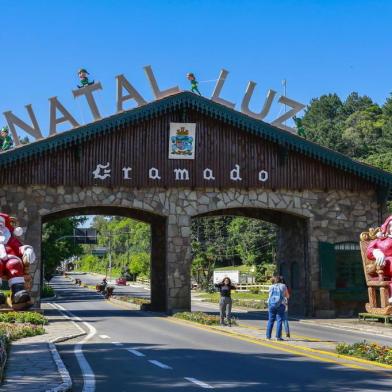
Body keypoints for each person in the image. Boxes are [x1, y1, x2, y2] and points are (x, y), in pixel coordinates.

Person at [367, 215, 392, 303]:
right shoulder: (380, 240)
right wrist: (376, 252)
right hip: (383, 266)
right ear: (387, 227)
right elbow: (369, 251)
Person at [266, 275, 289, 341]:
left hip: (271, 304)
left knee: (270, 320)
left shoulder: (271, 286)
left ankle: (268, 336)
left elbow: (269, 295)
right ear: (281, 280)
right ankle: (278, 337)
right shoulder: (283, 286)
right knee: (279, 320)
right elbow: (287, 296)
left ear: (274, 280)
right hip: (281, 305)